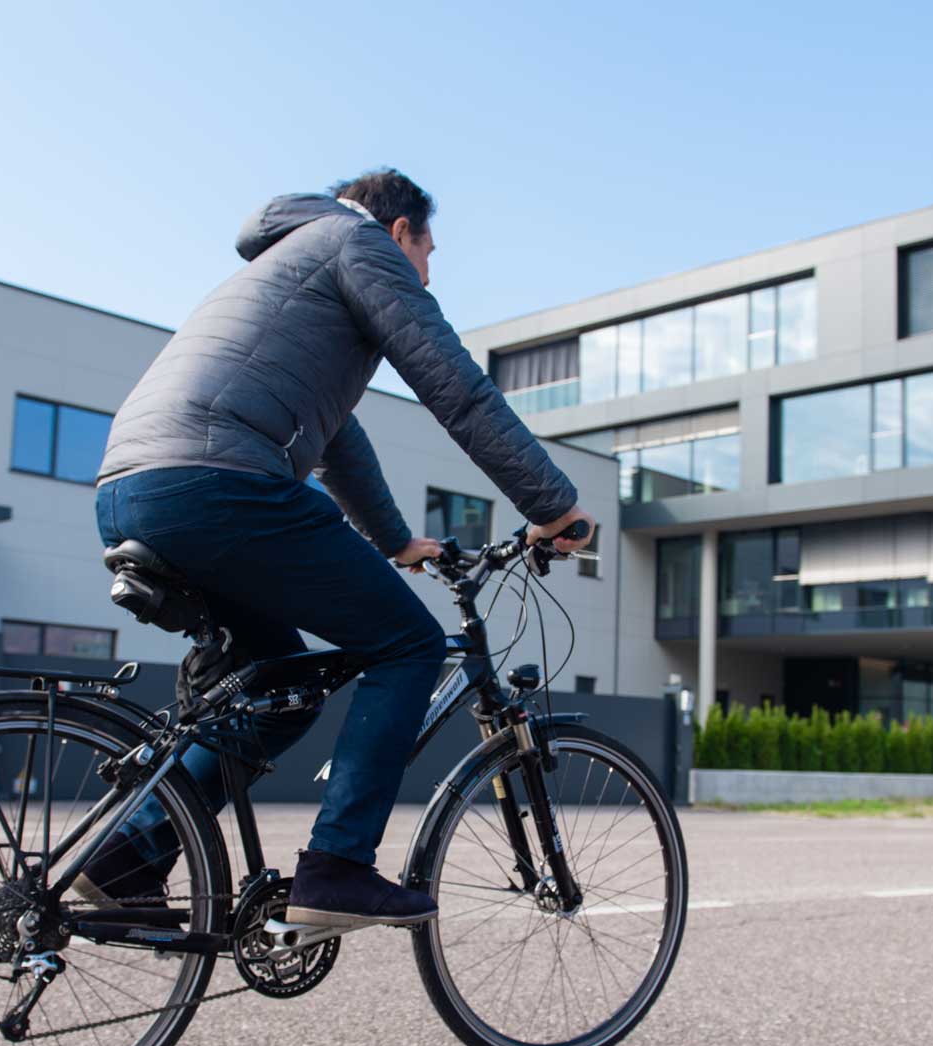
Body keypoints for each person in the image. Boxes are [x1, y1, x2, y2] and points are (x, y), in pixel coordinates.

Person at [82, 169, 594, 928]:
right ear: (400, 233)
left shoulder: (285, 268)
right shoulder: (359, 245)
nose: (428, 273)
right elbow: (457, 391)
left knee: (275, 691)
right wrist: (555, 508)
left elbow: (336, 441)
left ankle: (125, 862)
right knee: (409, 645)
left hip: (132, 491)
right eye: (429, 251)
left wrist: (395, 540)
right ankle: (338, 868)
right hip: (218, 484)